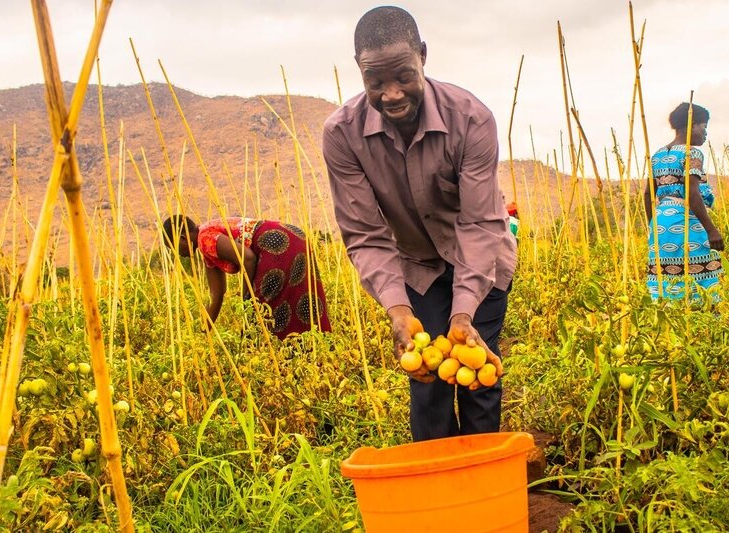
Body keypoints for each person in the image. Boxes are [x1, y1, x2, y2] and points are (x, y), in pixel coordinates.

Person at [322, 6, 516, 441]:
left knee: (475, 376)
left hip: (481, 260)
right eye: (376, 82)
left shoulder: (470, 119)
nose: (391, 94)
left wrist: (464, 311)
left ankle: (482, 486)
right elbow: (365, 234)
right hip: (418, 267)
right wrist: (398, 309)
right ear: (360, 71)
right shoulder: (342, 135)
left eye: (403, 76)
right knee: (426, 381)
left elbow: (480, 223)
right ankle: (437, 495)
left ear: (423, 56)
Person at [161, 215, 332, 339]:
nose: (178, 255)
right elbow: (217, 295)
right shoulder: (207, 245)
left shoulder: (205, 238)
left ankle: (288, 362)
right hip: (294, 236)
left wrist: (247, 299)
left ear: (182, 238)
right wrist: (202, 335)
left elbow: (247, 258)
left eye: (173, 248)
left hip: (276, 244)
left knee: (262, 317)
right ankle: (316, 352)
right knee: (298, 297)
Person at [644, 102, 724, 301]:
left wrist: (653, 226)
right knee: (703, 275)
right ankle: (704, 320)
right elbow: (692, 194)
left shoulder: (657, 155)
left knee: (669, 277)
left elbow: (648, 194)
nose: (705, 134)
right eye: (703, 128)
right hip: (684, 219)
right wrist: (711, 229)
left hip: (660, 223)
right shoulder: (692, 153)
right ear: (691, 126)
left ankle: (671, 316)